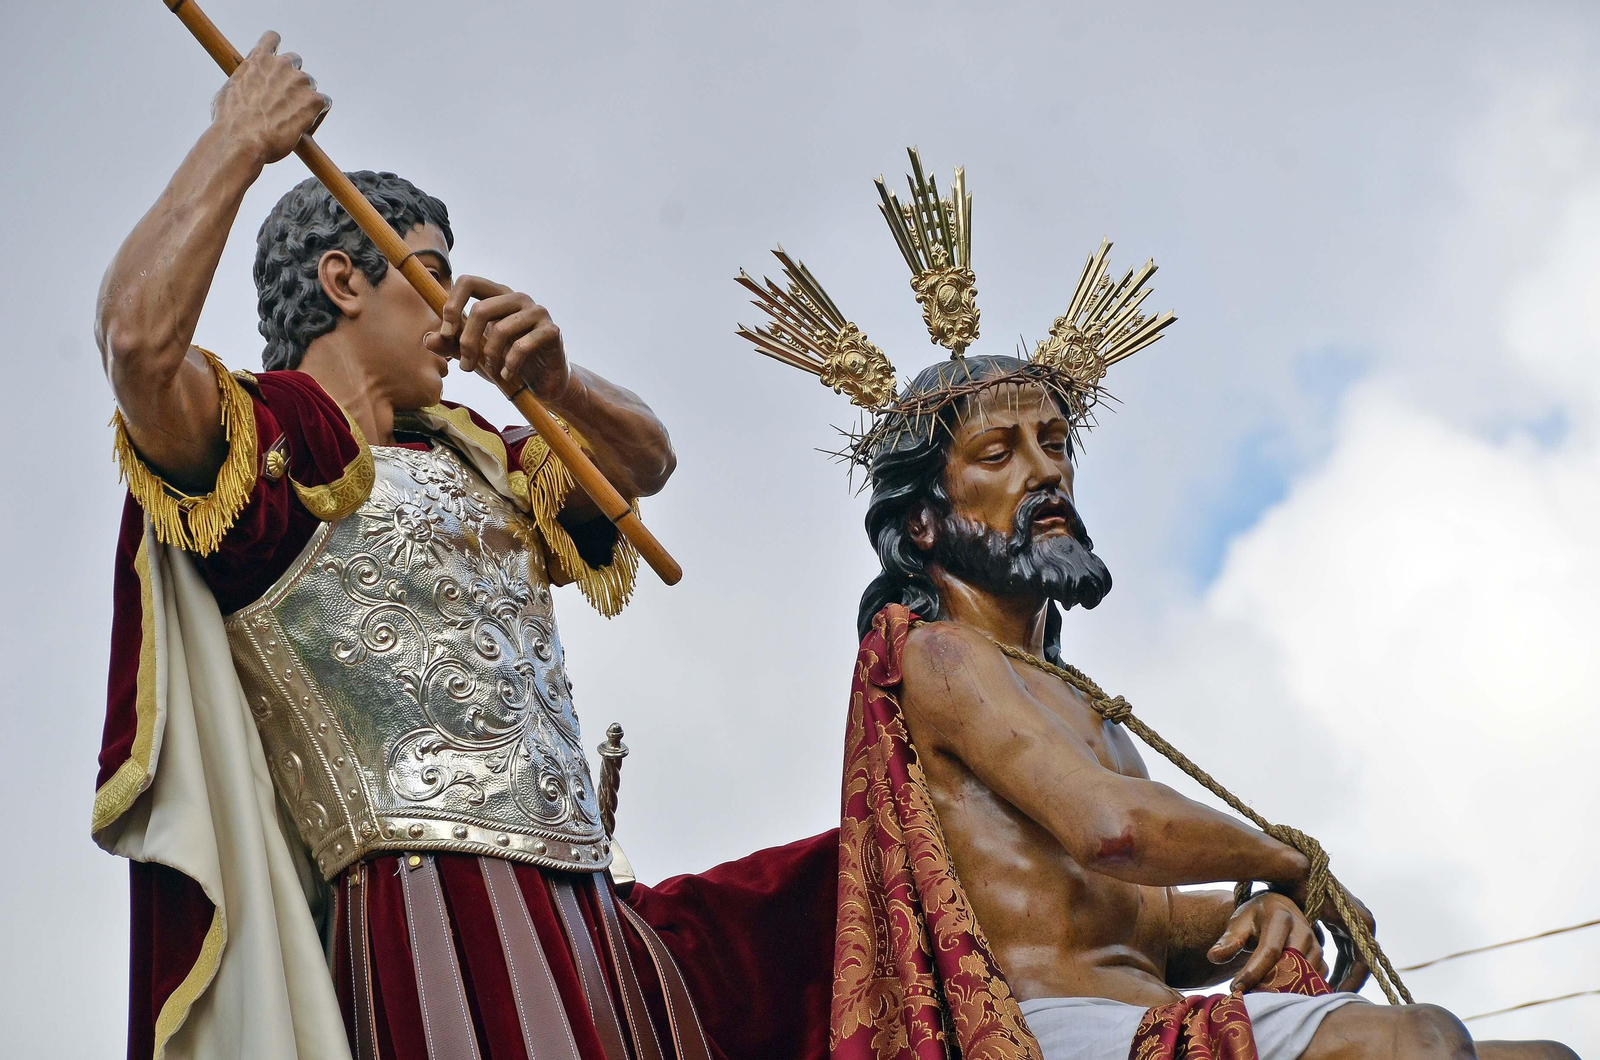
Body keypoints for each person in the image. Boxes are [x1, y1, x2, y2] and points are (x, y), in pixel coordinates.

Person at [736, 151, 1581, 1060]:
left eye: (1054, 443)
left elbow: (1144, 919)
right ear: (927, 525)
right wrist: (1286, 862)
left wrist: (1254, 917)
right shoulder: (940, 658)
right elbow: (1113, 830)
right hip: (1053, 1032)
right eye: (998, 453)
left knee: (1535, 1058)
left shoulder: (1080, 703)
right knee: (1411, 1043)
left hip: (1142, 1018)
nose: (1045, 470)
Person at [93, 31, 724, 1060]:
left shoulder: (480, 453)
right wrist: (237, 143)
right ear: (344, 279)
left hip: (580, 902)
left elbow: (643, 466)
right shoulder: (279, 445)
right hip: (423, 906)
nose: (449, 307)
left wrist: (556, 379)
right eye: (426, 274)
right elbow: (135, 345)